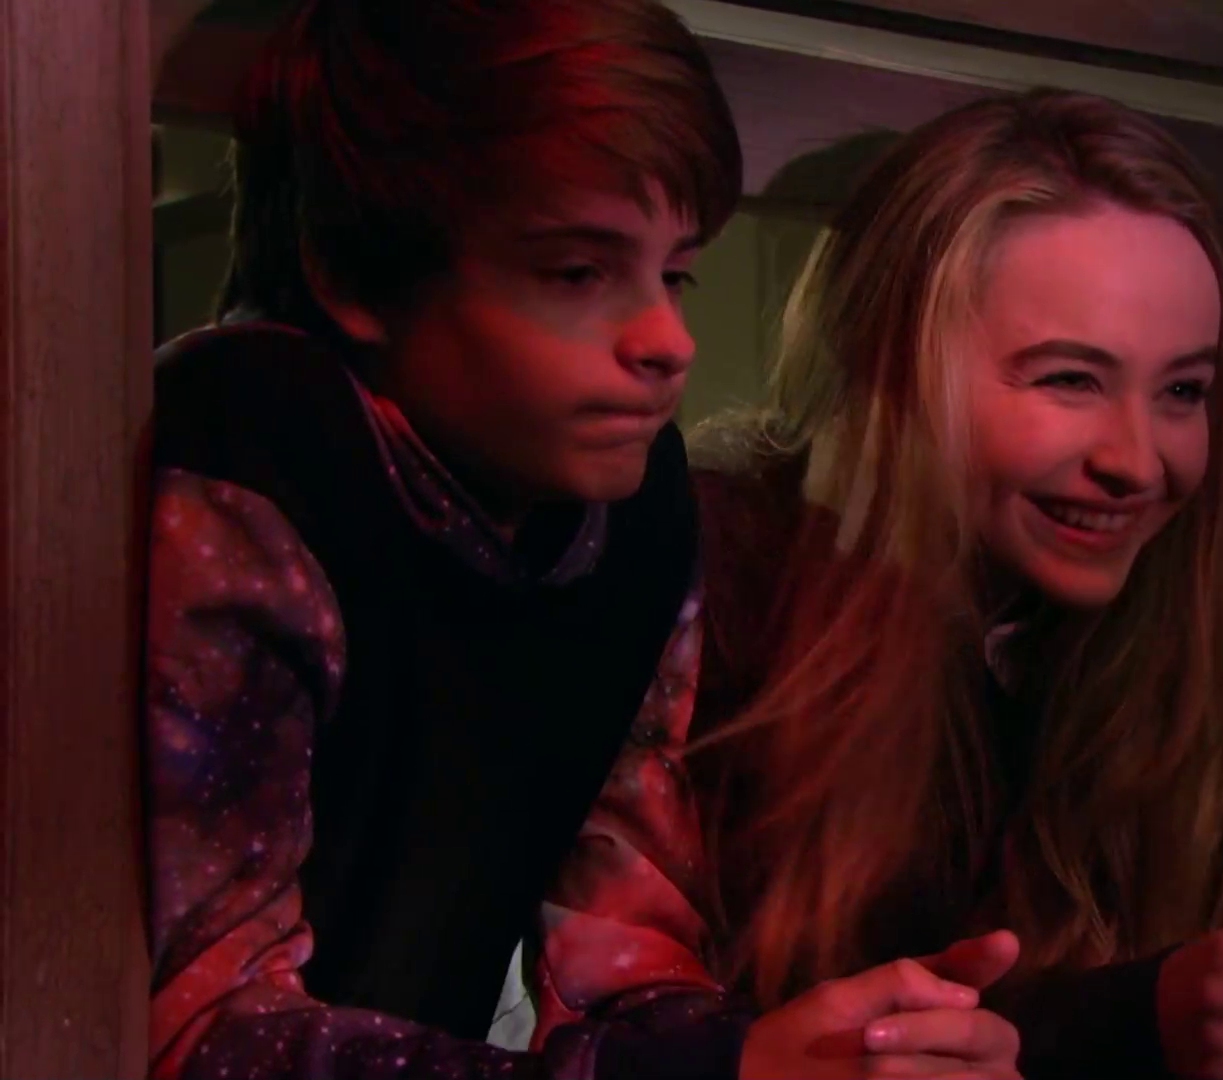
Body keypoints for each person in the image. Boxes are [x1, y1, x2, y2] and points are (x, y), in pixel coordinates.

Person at [142, 2, 1021, 1078]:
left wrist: (824, 1049)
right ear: (357, 270)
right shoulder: (255, 456)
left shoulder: (631, 516)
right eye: (576, 273)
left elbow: (617, 949)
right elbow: (198, 1031)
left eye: (674, 274)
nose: (668, 339)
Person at [687, 89, 1223, 1080]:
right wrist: (1139, 1019)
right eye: (1069, 380)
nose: (1138, 461)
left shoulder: (1127, 658)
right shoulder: (714, 592)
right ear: (888, 361)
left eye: (1183, 391)